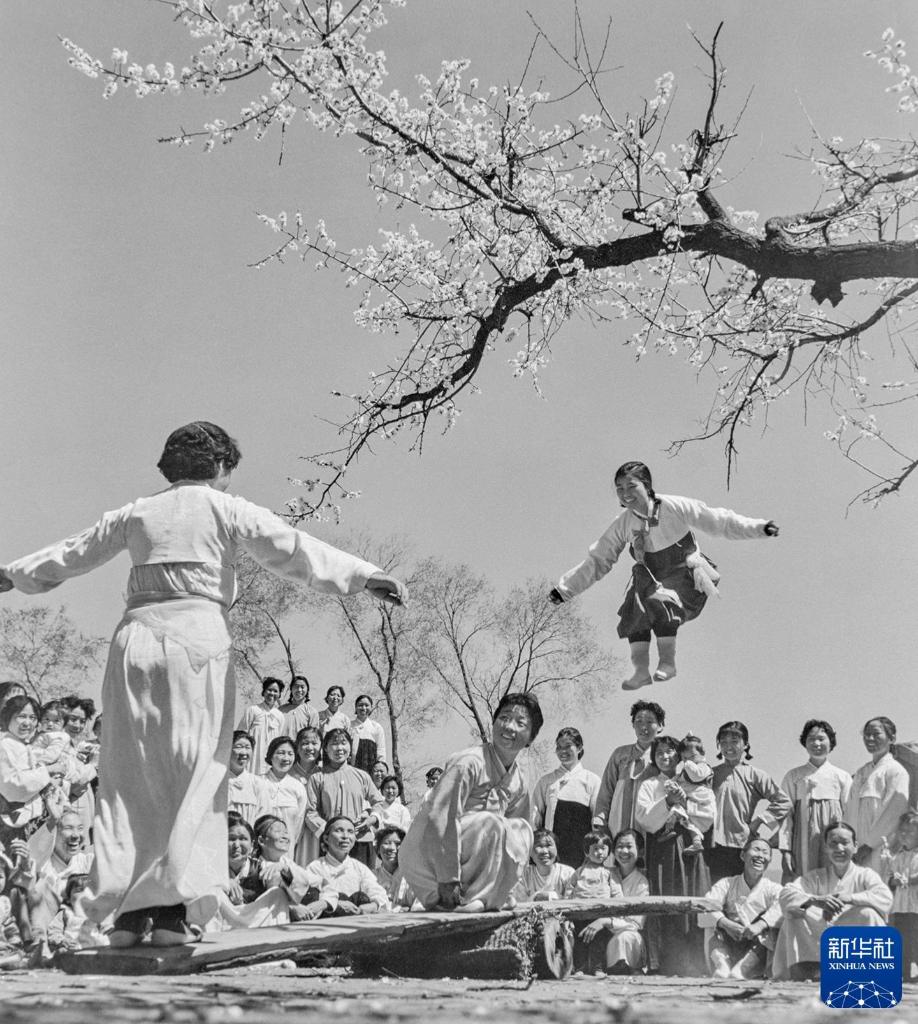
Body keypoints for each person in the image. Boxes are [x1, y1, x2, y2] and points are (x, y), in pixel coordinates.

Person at [0, 421, 407, 948]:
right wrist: (364, 575)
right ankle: (169, 910)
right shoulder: (226, 508)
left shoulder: (136, 512)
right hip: (196, 641)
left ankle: (128, 913)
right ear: (219, 466)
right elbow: (293, 549)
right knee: (194, 774)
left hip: (137, 645)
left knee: (129, 775)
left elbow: (76, 550)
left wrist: (15, 573)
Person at [549, 461, 779, 689]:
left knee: (662, 602)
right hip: (650, 575)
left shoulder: (674, 506)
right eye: (620, 488)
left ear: (647, 486)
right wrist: (564, 590)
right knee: (635, 612)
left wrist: (759, 528)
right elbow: (599, 559)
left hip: (683, 572)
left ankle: (667, 662)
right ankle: (640, 671)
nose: (625, 493)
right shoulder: (623, 524)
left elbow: (720, 521)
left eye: (631, 486)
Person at [399, 692, 540, 913]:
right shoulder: (468, 762)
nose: (509, 727)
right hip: (430, 856)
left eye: (520, 723)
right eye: (504, 718)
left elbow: (514, 836)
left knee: (523, 829)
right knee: (491, 823)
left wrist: (506, 885)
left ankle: (491, 896)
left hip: (472, 850)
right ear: (494, 722)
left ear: (530, 738)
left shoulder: (519, 780)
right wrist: (448, 877)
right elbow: (440, 816)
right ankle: (471, 897)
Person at [773, 821, 893, 981]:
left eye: (845, 842)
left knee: (868, 913)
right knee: (794, 914)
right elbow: (786, 894)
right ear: (825, 847)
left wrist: (850, 898)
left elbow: (885, 897)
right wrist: (816, 900)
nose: (839, 848)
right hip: (821, 937)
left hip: (853, 938)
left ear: (855, 846)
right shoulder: (816, 877)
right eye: (833, 843)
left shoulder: (865, 875)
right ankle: (806, 972)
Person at [635, 734, 714, 975]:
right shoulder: (649, 785)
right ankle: (665, 962)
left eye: (669, 751)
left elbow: (708, 814)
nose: (665, 756)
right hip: (663, 849)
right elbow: (644, 819)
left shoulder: (693, 780)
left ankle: (695, 961)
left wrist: (686, 804)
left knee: (692, 897)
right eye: (659, 753)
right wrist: (668, 802)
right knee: (665, 900)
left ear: (679, 755)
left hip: (690, 846)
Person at [710, 721, 791, 884]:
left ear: (745, 744)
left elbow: (784, 802)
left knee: (741, 892)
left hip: (741, 844)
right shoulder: (710, 774)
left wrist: (758, 822)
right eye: (723, 742)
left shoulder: (755, 775)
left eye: (734, 741)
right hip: (711, 845)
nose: (728, 746)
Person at [778, 719, 853, 881]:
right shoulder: (794, 776)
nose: (816, 743)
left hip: (834, 841)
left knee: (834, 882)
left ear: (831, 742)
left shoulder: (842, 777)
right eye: (811, 739)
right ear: (804, 743)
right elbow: (785, 816)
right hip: (802, 843)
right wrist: (785, 850)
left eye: (821, 738)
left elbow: (851, 814)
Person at [304, 728, 385, 869]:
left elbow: (378, 802)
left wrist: (371, 819)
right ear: (325, 748)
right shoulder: (317, 778)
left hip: (360, 840)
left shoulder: (361, 776)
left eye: (343, 743)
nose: (339, 748)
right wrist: (328, 832)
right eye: (334, 744)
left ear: (350, 747)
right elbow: (310, 812)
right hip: (330, 844)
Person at [703, 837, 783, 980]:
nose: (760, 856)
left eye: (765, 852)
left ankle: (742, 969)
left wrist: (760, 925)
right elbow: (706, 906)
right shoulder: (727, 884)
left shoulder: (773, 888)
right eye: (756, 850)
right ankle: (722, 965)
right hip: (728, 942)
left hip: (756, 947)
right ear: (742, 855)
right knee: (712, 921)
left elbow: (783, 906)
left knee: (771, 924)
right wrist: (726, 924)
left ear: (770, 860)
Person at [577, 829, 649, 975]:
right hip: (599, 932)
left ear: (640, 851)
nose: (624, 851)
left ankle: (623, 967)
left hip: (623, 933)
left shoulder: (641, 882)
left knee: (625, 937)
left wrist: (605, 921)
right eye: (619, 847)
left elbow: (636, 924)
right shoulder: (604, 873)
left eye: (629, 846)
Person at [845, 716, 909, 874]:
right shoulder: (861, 773)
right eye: (866, 734)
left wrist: (869, 845)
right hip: (856, 851)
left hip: (881, 849)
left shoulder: (895, 771)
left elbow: (893, 813)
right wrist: (849, 843)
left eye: (876, 734)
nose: (870, 738)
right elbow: (850, 812)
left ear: (891, 738)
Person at [593, 701, 664, 840]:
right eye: (639, 721)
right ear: (633, 725)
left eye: (650, 722)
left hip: (651, 827)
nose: (643, 726)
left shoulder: (663, 756)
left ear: (660, 726)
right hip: (618, 823)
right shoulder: (620, 754)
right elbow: (606, 789)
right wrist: (600, 820)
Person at [532, 727, 600, 869]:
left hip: (581, 857)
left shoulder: (592, 781)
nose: (563, 751)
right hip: (552, 856)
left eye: (568, 746)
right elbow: (535, 819)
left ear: (579, 748)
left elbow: (597, 822)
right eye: (559, 747)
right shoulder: (546, 781)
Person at [300, 816, 390, 919]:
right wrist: (335, 904)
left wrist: (373, 905)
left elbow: (377, 892)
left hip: (355, 921)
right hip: (326, 921)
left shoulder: (359, 868)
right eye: (339, 830)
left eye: (350, 832)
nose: (345, 836)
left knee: (361, 898)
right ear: (326, 838)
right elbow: (310, 901)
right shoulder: (315, 867)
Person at [0, 696, 61, 844]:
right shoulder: (5, 746)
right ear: (8, 718)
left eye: (32, 718)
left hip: (31, 821)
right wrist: (47, 771)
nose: (27, 723)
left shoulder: (24, 745)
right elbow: (13, 786)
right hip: (10, 822)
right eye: (21, 716)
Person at [883, 809, 918, 981]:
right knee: (903, 936)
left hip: (916, 905)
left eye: (910, 832)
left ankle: (914, 970)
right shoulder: (897, 856)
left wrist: (910, 880)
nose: (904, 835)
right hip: (901, 905)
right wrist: (894, 880)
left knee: (915, 938)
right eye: (902, 831)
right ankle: (903, 971)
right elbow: (889, 876)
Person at [666, 734, 714, 854]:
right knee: (687, 821)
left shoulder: (704, 767)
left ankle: (670, 828)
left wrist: (687, 763)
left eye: (692, 756)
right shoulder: (686, 770)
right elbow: (680, 779)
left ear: (702, 754)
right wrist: (672, 782)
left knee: (681, 812)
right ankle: (696, 842)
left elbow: (696, 776)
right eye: (684, 758)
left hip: (701, 803)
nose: (689, 760)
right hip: (690, 802)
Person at [260, 737, 308, 852]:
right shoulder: (258, 783)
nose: (286, 758)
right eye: (281, 753)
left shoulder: (297, 787)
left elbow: (299, 823)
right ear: (271, 756)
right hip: (260, 846)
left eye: (290, 754)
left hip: (286, 848)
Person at [236, 678, 286, 777]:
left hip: (270, 758)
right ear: (263, 692)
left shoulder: (280, 716)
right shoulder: (252, 710)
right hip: (253, 757)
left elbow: (279, 741)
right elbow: (241, 735)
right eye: (269, 690)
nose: (272, 693)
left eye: (275, 691)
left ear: (279, 694)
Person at [513, 829, 574, 902]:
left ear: (556, 849)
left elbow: (572, 901)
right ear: (530, 852)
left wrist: (549, 896)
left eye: (549, 845)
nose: (545, 851)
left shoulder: (568, 873)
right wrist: (536, 897)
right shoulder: (523, 875)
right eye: (539, 846)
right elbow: (519, 904)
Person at [227, 731, 269, 826]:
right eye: (238, 747)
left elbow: (264, 816)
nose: (244, 752)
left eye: (247, 747)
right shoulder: (217, 780)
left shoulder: (258, 783)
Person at [564, 832, 619, 899]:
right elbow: (570, 888)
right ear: (587, 852)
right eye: (596, 848)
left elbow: (616, 892)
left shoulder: (609, 873)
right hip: (580, 903)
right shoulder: (580, 871)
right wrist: (567, 901)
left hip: (602, 904)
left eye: (603, 848)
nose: (600, 852)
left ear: (608, 852)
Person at [374, 825, 414, 910]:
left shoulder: (413, 876)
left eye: (398, 844)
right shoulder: (372, 877)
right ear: (378, 849)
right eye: (386, 843)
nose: (392, 848)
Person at [349, 695, 386, 775]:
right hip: (350, 771)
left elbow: (381, 752)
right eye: (360, 705)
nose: (363, 708)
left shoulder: (376, 727)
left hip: (369, 772)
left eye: (366, 705)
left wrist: (380, 771)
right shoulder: (348, 726)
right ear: (355, 708)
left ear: (371, 708)